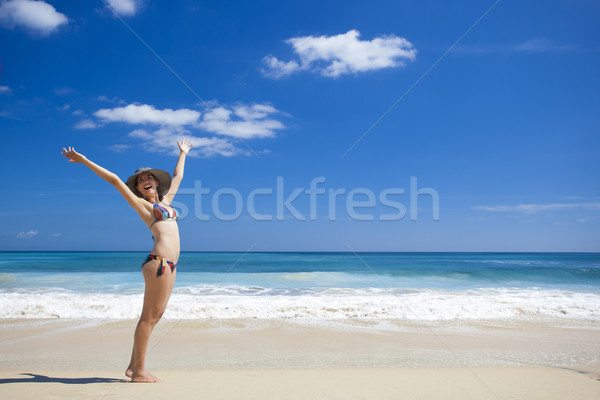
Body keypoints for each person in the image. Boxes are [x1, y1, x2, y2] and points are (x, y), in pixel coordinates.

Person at [61, 139, 193, 382]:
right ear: (139, 189)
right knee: (148, 318)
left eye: (149, 177)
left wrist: (183, 152)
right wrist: (83, 160)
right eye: (141, 180)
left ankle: (134, 367)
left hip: (171, 265)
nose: (145, 180)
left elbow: (178, 176)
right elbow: (114, 179)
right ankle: (139, 372)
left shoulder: (165, 203)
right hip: (159, 262)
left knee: (157, 315)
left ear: (155, 182)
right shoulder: (142, 205)